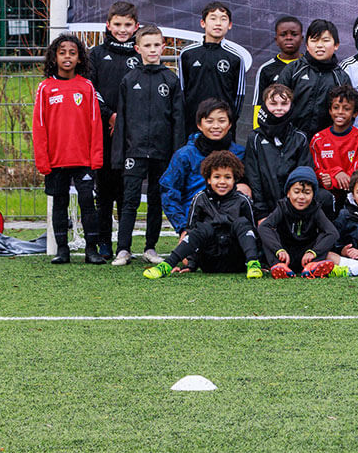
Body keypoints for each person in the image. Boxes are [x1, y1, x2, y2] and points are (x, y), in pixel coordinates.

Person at [112, 24, 184, 266]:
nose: (152, 50)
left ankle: (150, 248)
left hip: (162, 152)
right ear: (138, 49)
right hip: (135, 151)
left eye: (156, 45)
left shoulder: (171, 79)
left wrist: (176, 154)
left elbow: (178, 120)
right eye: (147, 45)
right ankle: (123, 249)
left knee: (156, 200)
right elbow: (122, 120)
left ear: (163, 47)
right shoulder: (129, 79)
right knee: (129, 200)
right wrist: (119, 154)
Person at [33, 33, 103, 264]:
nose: (67, 57)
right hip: (56, 160)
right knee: (59, 203)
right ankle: (62, 250)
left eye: (72, 53)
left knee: (87, 202)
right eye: (62, 52)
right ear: (54, 57)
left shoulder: (86, 86)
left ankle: (91, 249)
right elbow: (39, 126)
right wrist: (42, 160)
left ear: (79, 58)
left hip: (83, 159)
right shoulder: (45, 88)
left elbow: (95, 124)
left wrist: (96, 157)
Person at [143, 151, 262, 279]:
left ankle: (253, 264)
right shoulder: (200, 199)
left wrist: (259, 258)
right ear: (208, 179)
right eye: (217, 177)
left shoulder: (243, 200)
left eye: (228, 177)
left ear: (235, 180)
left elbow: (253, 234)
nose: (222, 182)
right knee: (204, 228)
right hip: (209, 261)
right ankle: (167, 265)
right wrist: (191, 264)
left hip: (237, 261)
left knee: (242, 223)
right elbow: (191, 231)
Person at [89, 1, 140, 259]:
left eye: (127, 24)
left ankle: (124, 245)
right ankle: (104, 243)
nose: (122, 29)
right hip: (104, 131)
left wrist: (125, 120)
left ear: (136, 26)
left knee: (126, 189)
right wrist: (110, 116)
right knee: (104, 188)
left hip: (131, 134)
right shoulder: (96, 54)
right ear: (108, 25)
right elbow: (90, 90)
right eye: (117, 24)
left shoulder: (140, 55)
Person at [161, 97, 246, 237]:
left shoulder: (240, 153)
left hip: (231, 223)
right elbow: (169, 191)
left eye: (222, 121)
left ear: (230, 124)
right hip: (196, 224)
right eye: (209, 121)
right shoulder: (185, 155)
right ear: (199, 125)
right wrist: (183, 227)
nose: (216, 126)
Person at [178, 1, 245, 139]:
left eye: (223, 19)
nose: (218, 23)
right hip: (193, 125)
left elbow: (238, 95)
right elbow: (182, 91)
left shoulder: (236, 57)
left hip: (223, 127)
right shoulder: (187, 54)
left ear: (230, 25)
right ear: (203, 23)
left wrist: (228, 119)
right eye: (213, 18)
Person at [245, 84, 311, 222]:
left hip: (293, 208)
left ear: (291, 105)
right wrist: (261, 213)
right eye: (273, 103)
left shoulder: (300, 138)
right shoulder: (255, 138)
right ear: (265, 104)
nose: (279, 108)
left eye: (284, 103)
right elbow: (254, 178)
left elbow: (304, 175)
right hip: (266, 210)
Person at [257, 166, 338, 278]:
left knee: (325, 235)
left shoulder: (316, 210)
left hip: (307, 256)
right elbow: (264, 227)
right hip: (284, 255)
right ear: (288, 193)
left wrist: (314, 252)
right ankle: (278, 266)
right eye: (296, 192)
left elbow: (332, 233)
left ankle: (312, 267)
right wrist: (278, 250)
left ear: (313, 195)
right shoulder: (282, 207)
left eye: (307, 193)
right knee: (268, 233)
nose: (301, 197)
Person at [279, 18, 351, 137]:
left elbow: (346, 115)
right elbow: (277, 105)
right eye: (314, 40)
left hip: (325, 142)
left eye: (325, 40)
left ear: (336, 45)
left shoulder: (341, 78)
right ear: (307, 45)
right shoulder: (293, 70)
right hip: (290, 139)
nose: (319, 45)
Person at [310, 85, 358, 211]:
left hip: (352, 194)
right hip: (326, 197)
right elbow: (316, 170)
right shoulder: (318, 139)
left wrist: (333, 181)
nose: (340, 112)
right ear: (330, 110)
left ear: (355, 113)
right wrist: (336, 172)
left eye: (346, 109)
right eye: (336, 107)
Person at [250, 15, 302, 128]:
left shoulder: (308, 67)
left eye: (294, 34)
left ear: (302, 39)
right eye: (283, 34)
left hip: (302, 129)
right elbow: (259, 105)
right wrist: (258, 132)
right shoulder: (266, 69)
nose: (289, 38)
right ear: (276, 40)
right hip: (274, 129)